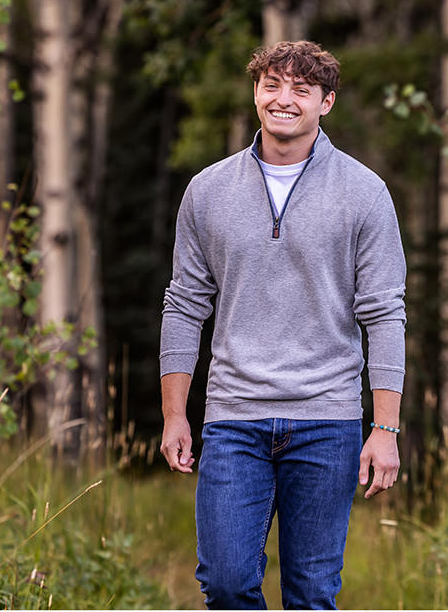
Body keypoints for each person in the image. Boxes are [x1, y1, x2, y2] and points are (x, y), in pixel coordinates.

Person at [159, 39, 407, 610]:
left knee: (312, 592)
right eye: (272, 85)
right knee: (224, 581)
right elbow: (184, 304)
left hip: (328, 420)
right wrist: (176, 413)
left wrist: (385, 429)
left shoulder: (365, 193)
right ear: (255, 93)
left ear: (327, 103)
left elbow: (385, 313)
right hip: (234, 418)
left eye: (301, 89)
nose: (284, 99)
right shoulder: (208, 190)